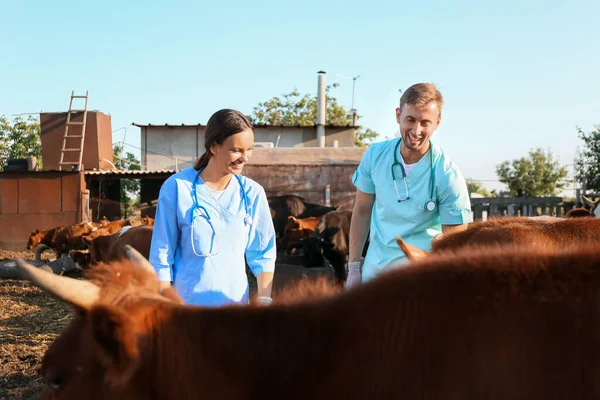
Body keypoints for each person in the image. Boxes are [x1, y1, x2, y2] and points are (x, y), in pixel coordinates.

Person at [346, 83, 472, 287]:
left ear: (437, 122)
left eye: (425, 122)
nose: (416, 130)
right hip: (375, 272)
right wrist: (353, 268)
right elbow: (361, 211)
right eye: (410, 120)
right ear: (398, 115)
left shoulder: (447, 175)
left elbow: (455, 244)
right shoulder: (375, 156)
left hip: (420, 280)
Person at [149, 109, 276, 306]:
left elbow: (263, 253)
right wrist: (166, 305)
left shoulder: (252, 193)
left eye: (249, 149)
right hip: (188, 311)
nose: (245, 157)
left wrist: (265, 298)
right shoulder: (177, 188)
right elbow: (162, 255)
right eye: (237, 150)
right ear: (214, 147)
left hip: (234, 312)